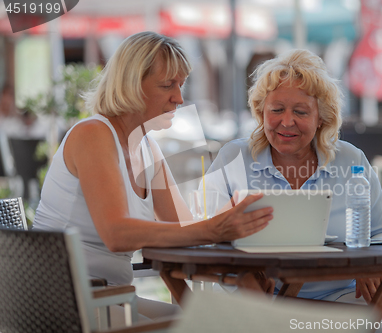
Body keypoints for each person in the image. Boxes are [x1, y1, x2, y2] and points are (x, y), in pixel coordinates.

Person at [33, 31, 273, 327]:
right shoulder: (93, 134)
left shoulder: (148, 148)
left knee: (216, 321)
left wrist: (229, 224)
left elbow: (183, 230)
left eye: (181, 84)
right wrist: (212, 230)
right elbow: (117, 234)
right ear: (131, 84)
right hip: (62, 303)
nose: (180, 98)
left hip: (107, 297)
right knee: (208, 325)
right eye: (167, 85)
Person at [203, 49, 382, 330]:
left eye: (300, 112)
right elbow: (205, 231)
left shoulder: (351, 160)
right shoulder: (233, 157)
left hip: (338, 299)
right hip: (253, 301)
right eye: (277, 109)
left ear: (321, 117)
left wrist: (372, 265)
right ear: (261, 111)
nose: (286, 121)